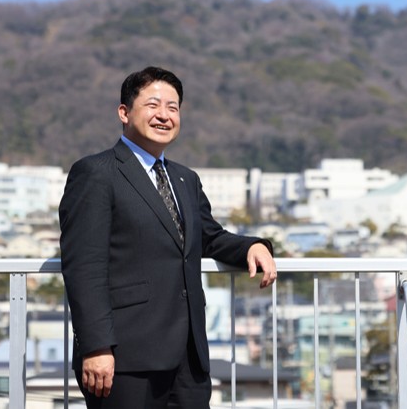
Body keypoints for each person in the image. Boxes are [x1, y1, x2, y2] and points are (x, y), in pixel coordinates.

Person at [60, 66, 277, 408]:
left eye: (173, 107)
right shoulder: (96, 173)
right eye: (153, 105)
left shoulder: (184, 179)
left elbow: (208, 237)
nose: (164, 115)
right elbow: (83, 266)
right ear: (124, 112)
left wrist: (253, 246)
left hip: (188, 358)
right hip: (124, 357)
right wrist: (96, 346)